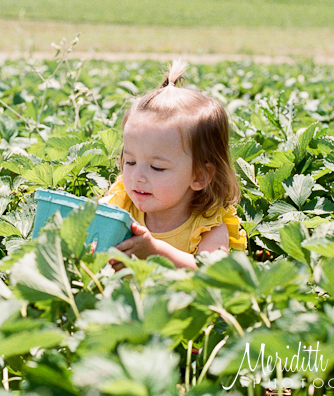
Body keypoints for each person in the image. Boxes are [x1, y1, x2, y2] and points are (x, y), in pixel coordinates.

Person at [101, 60, 246, 269]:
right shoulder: (120, 205)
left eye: (157, 167)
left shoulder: (207, 226)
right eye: (130, 161)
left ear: (200, 176)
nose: (136, 176)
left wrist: (155, 252)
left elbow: (212, 273)